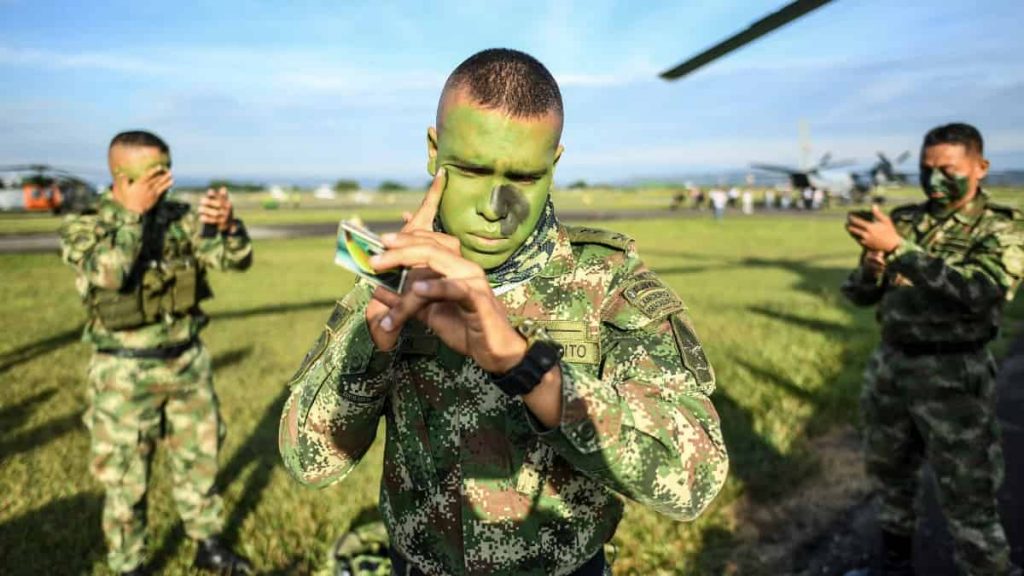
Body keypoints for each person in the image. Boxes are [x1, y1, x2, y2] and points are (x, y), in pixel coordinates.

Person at [279, 48, 728, 576]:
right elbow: (310, 462)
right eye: (471, 170)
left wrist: (527, 368)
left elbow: (694, 478)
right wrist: (371, 344)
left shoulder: (607, 280)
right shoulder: (395, 273)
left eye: (525, 177)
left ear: (554, 165)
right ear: (433, 151)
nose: (495, 207)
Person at [59, 130, 254, 575]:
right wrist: (133, 216)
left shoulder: (178, 217)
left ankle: (207, 542)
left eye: (168, 168)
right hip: (123, 374)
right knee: (126, 476)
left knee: (200, 461)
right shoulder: (87, 225)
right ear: (122, 176)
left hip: (187, 363)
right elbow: (109, 274)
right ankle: (130, 563)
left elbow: (234, 259)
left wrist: (227, 226)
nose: (165, 179)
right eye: (154, 172)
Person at [842, 123, 1023, 575]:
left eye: (949, 169)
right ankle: (893, 566)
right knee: (890, 476)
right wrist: (871, 268)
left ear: (980, 168)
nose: (935, 180)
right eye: (927, 169)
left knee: (968, 491)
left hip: (954, 375)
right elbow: (860, 296)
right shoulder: (905, 220)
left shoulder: (1002, 227)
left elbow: (983, 290)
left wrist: (899, 251)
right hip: (891, 367)